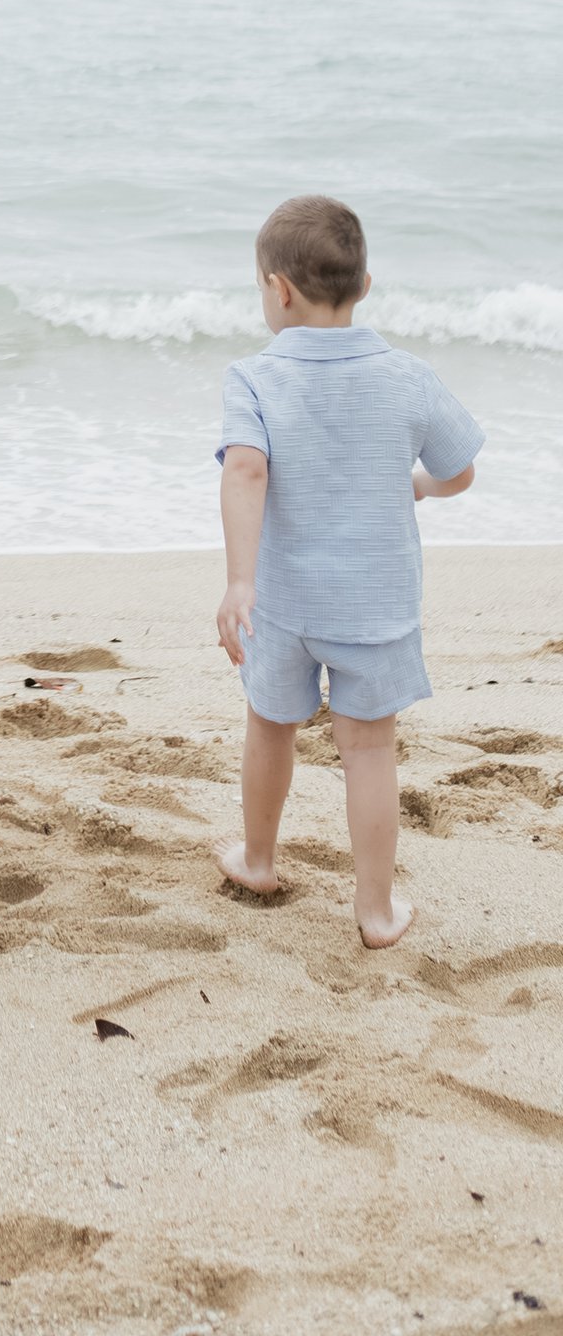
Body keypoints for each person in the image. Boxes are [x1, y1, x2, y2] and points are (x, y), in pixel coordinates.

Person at [214, 194, 483, 948]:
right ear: (364, 286)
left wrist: (240, 582)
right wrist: (418, 486)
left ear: (278, 290)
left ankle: (258, 861)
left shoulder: (253, 377)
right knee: (368, 750)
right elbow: (460, 470)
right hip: (377, 607)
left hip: (282, 605)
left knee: (271, 727)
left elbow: (245, 470)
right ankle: (375, 911)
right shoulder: (407, 376)